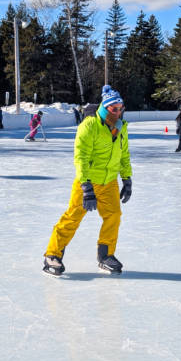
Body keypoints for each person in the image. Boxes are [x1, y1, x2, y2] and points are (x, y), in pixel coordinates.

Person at [43, 85, 132, 275]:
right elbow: (81, 157)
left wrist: (127, 179)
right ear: (105, 108)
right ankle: (52, 255)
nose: (118, 112)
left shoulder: (120, 127)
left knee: (113, 216)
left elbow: (124, 155)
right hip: (88, 181)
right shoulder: (89, 126)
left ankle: (106, 256)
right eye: (114, 109)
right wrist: (86, 187)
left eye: (120, 108)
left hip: (109, 182)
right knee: (72, 218)